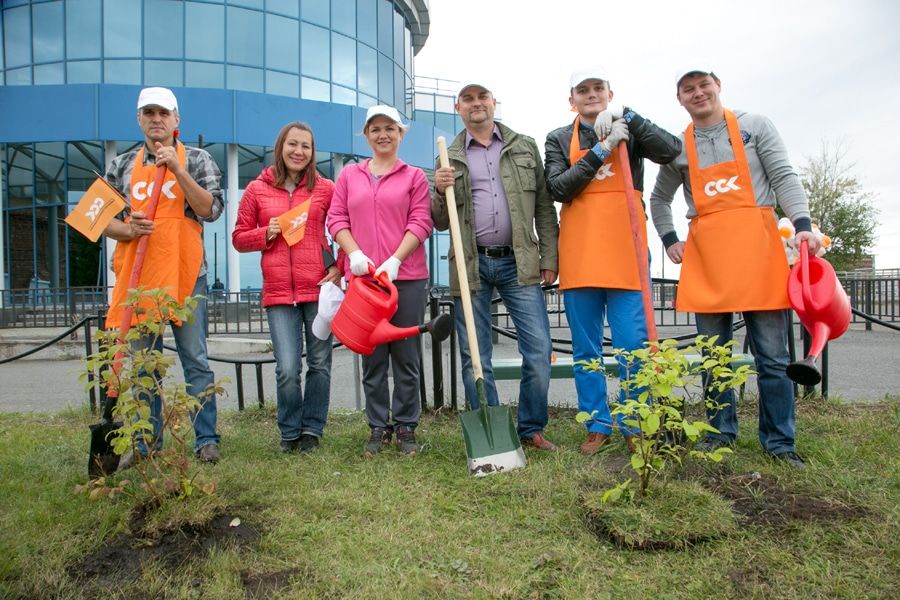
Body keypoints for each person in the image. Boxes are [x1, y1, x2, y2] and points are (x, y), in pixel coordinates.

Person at [649, 68, 821, 469]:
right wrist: (670, 239)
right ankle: (719, 434)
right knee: (714, 358)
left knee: (773, 359)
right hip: (708, 259)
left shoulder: (754, 127)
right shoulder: (678, 147)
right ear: (680, 99)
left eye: (703, 85)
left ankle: (779, 442)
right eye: (687, 89)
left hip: (759, 255)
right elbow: (659, 199)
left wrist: (802, 226)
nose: (698, 94)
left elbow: (783, 176)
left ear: (717, 86)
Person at [544, 66, 682, 455]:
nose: (591, 95)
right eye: (582, 90)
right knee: (586, 348)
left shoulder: (630, 130)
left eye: (598, 88)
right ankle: (596, 422)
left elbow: (671, 150)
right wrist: (603, 150)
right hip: (581, 253)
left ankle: (635, 419)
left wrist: (631, 120)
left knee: (633, 345)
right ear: (571, 98)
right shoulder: (557, 138)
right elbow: (559, 187)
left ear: (609, 93)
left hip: (627, 252)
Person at [432, 83, 559, 451]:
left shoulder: (523, 146)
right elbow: (440, 221)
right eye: (468, 99)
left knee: (538, 347)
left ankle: (530, 428)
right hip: (471, 265)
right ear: (459, 107)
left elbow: (544, 209)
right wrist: (439, 191)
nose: (476, 104)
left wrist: (549, 257)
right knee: (475, 353)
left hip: (518, 262)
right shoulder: (448, 155)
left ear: (493, 103)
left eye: (482, 97)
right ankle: (491, 432)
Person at [103, 87, 224, 464]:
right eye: (149, 113)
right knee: (143, 366)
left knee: (195, 360)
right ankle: (146, 445)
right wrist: (126, 229)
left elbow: (211, 209)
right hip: (138, 282)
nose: (157, 119)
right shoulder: (121, 165)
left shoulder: (199, 159)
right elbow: (96, 217)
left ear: (176, 121)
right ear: (139, 119)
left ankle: (206, 439)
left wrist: (177, 170)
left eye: (164, 113)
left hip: (186, 277)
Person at [328, 105, 433, 457]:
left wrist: (395, 260)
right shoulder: (349, 176)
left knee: (406, 356)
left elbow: (421, 222)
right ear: (366, 135)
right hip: (364, 282)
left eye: (390, 128)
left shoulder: (414, 177)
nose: (383, 134)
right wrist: (354, 254)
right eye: (375, 129)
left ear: (400, 134)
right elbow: (336, 218)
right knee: (371, 356)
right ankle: (377, 425)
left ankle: (406, 425)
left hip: (406, 279)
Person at [232, 121, 339, 454]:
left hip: (318, 289)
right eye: (292, 144)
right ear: (280, 147)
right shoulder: (256, 190)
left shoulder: (326, 188)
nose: (298, 151)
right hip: (278, 292)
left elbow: (341, 229)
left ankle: (312, 431)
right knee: (288, 368)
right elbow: (238, 238)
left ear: (312, 152)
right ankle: (289, 431)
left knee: (320, 364)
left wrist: (338, 267)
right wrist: (268, 231)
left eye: (305, 146)